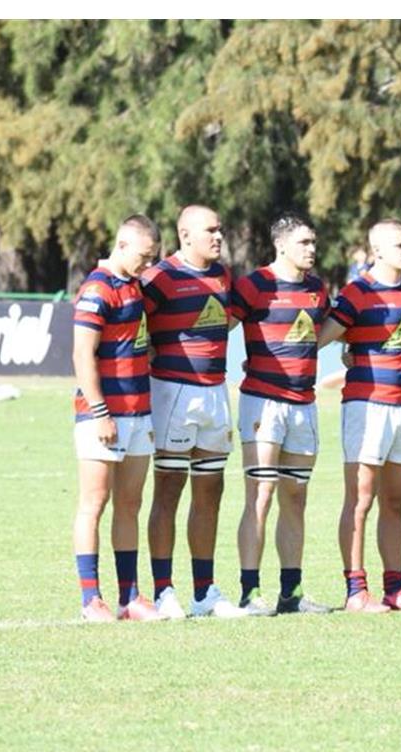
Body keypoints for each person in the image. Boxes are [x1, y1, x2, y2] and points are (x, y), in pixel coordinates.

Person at [317, 218, 401, 613]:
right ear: (377, 251)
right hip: (366, 406)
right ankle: (355, 591)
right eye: (399, 245)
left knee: (397, 501)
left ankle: (395, 589)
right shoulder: (358, 292)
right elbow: (321, 337)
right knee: (361, 499)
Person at [142, 204, 244, 619]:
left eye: (220, 229)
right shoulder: (160, 278)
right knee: (168, 489)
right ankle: (164, 590)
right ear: (185, 235)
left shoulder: (222, 276)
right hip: (173, 393)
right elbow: (132, 325)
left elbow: (230, 318)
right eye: (210, 230)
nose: (218, 237)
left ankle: (205, 592)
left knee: (211, 490)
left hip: (216, 392)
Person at [228, 214, 332, 616]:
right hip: (262, 403)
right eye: (305, 242)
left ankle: (292, 592)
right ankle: (250, 592)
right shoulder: (254, 286)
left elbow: (322, 332)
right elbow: (219, 328)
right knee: (261, 494)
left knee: (296, 497)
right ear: (282, 245)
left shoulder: (316, 290)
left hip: (304, 405)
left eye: (313, 242)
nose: (312, 249)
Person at [70, 215, 163, 622]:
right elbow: (81, 355)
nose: (147, 264)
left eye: (152, 258)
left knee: (130, 503)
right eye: (144, 256)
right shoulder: (97, 287)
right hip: (102, 415)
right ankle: (91, 598)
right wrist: (100, 411)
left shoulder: (135, 286)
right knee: (95, 502)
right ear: (123, 244)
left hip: (139, 411)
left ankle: (130, 597)